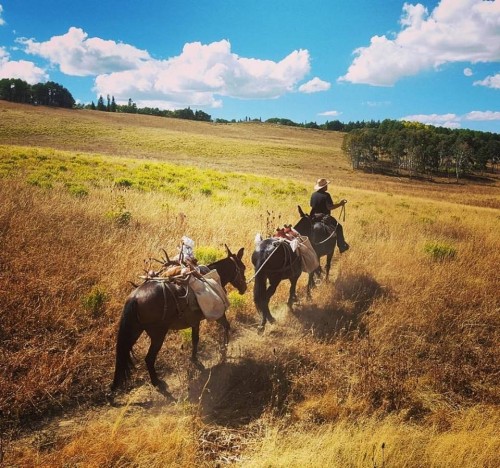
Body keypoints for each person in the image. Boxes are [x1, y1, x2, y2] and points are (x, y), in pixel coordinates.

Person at [310, 178, 350, 253]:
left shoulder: (313, 195)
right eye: (326, 185)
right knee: (339, 227)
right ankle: (342, 246)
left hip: (314, 217)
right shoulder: (326, 195)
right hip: (324, 217)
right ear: (323, 187)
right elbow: (330, 207)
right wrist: (340, 204)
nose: (327, 186)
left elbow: (312, 205)